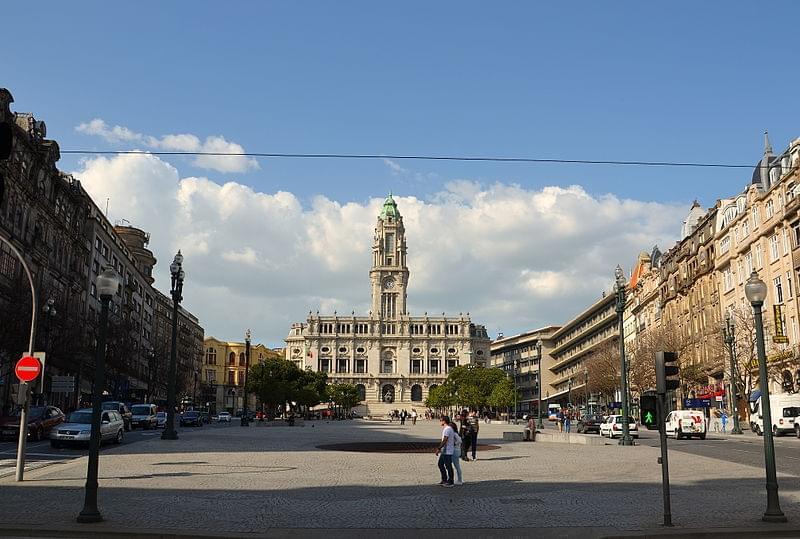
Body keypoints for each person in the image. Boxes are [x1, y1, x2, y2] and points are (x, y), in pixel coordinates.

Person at [435, 415, 455, 487]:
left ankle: (451, 481)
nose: (440, 422)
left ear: (444, 421)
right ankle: (444, 479)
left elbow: (445, 440)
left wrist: (438, 448)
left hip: (448, 451)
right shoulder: (447, 428)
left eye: (441, 420)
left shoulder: (448, 429)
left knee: (448, 466)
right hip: (444, 450)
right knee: (440, 464)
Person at [448, 418, 464, 485]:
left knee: (456, 466)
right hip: (456, 450)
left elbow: (460, 441)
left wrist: (454, 444)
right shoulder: (454, 433)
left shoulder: (454, 434)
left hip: (455, 451)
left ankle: (459, 480)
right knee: (454, 465)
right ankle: (457, 479)